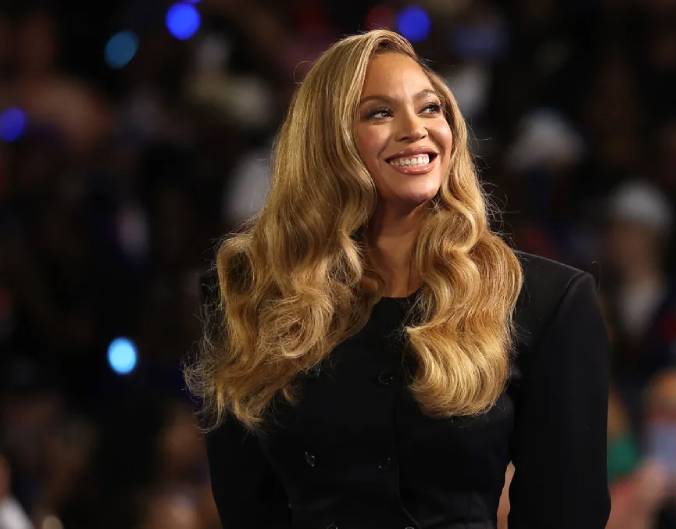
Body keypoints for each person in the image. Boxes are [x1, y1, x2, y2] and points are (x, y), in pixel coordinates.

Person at [182, 29, 610, 529]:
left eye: (430, 108)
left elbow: (566, 511)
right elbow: (247, 509)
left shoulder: (546, 301)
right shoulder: (249, 295)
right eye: (379, 113)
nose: (415, 129)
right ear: (327, 141)